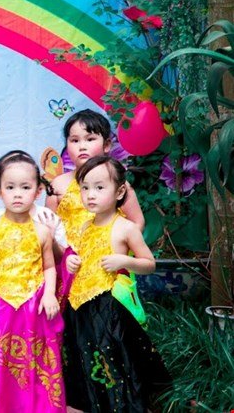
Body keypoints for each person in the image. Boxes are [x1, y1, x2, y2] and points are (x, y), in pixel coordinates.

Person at [62, 156, 170, 411]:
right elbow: (82, 257)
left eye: (99, 187)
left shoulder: (126, 228)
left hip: (108, 309)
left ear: (119, 191)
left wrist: (125, 260)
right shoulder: (84, 226)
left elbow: (149, 263)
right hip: (79, 308)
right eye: (85, 188)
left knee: (112, 361)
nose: (90, 194)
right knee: (81, 362)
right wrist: (71, 263)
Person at [0, 151, 65, 412]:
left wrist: (49, 294)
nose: (17, 194)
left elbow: (49, 267)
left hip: (34, 307)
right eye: (10, 187)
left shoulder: (42, 231)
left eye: (25, 187)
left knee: (35, 362)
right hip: (0, 306)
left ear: (38, 190)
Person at [45, 109, 146, 325]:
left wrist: (120, 249)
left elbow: (137, 221)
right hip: (70, 263)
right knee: (70, 317)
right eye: (75, 140)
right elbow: (49, 229)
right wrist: (62, 255)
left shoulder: (119, 185)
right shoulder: (58, 186)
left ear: (107, 145)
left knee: (110, 316)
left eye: (90, 139)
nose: (82, 146)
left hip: (107, 263)